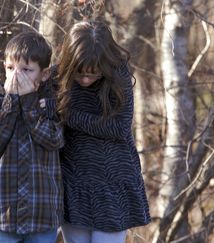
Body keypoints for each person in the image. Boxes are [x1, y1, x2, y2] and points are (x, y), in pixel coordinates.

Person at [56, 20, 151, 243]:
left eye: (93, 74)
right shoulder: (57, 78)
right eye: (80, 74)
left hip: (113, 182)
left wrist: (67, 115)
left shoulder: (119, 76)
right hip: (73, 183)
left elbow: (118, 127)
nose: (86, 79)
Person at [0, 31, 64, 243]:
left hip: (41, 211)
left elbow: (54, 139)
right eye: (11, 68)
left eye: (26, 70)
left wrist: (30, 102)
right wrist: (11, 102)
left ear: (44, 74)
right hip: (3, 211)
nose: (16, 76)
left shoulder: (51, 102)